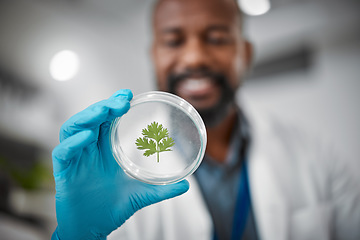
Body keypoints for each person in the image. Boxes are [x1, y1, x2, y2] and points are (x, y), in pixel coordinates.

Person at [51, 0, 360, 239]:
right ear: (154, 55)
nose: (195, 57)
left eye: (216, 38)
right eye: (173, 41)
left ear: (246, 54)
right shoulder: (123, 166)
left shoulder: (315, 155)